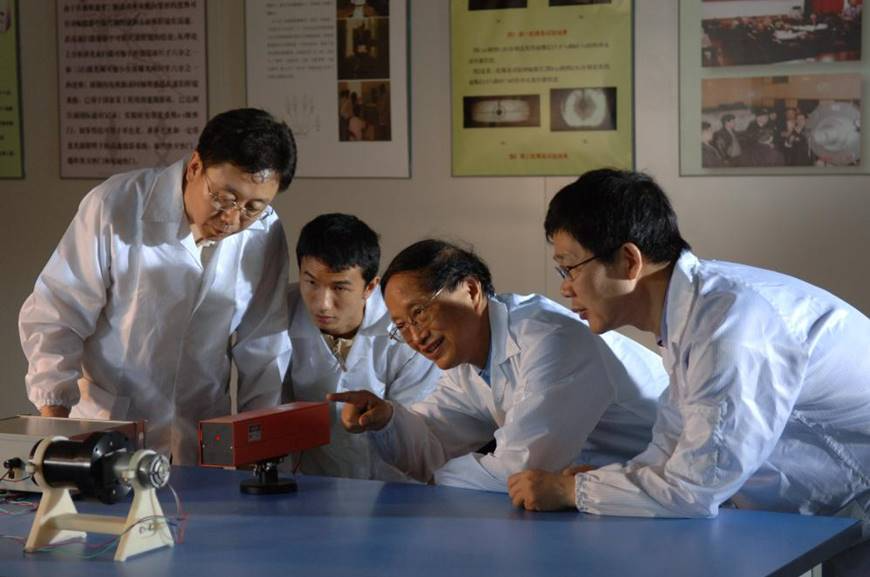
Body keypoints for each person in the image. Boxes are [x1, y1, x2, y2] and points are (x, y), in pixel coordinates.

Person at [508, 169, 870, 576]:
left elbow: (695, 486)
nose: (565, 288)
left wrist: (574, 490)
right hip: (842, 502)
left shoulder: (728, 326)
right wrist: (610, 482)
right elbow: (672, 446)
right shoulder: (691, 313)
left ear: (629, 260)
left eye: (570, 267)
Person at [19, 108, 297, 465]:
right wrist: (55, 425)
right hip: (108, 427)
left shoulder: (264, 233)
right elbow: (58, 314)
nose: (232, 219)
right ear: (195, 166)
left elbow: (264, 344)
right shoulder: (117, 204)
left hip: (201, 430)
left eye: (252, 207)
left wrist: (258, 450)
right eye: (224, 198)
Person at [328, 240, 669, 493]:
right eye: (402, 326)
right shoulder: (466, 365)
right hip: (608, 492)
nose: (416, 336)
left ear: (471, 290)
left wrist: (435, 479)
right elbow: (433, 442)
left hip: (659, 489)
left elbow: (522, 468)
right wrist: (387, 420)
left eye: (420, 312)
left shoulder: (549, 338)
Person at [285, 214, 441, 481]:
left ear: (369, 287)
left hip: (391, 487)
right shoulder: (280, 313)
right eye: (311, 282)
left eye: (339, 288)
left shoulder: (406, 330)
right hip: (305, 483)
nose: (322, 304)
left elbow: (415, 432)